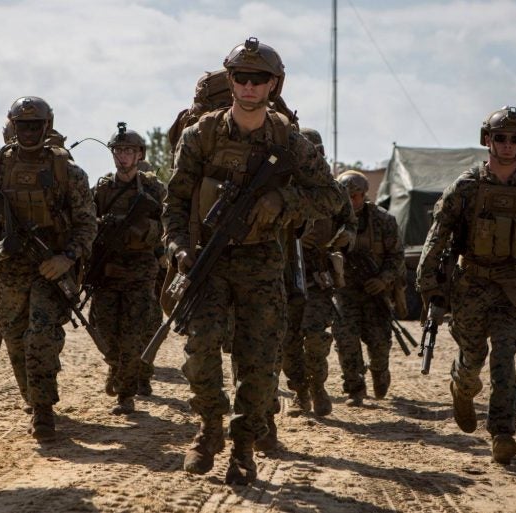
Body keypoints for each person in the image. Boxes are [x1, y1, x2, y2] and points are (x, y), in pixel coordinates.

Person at [162, 37, 345, 485]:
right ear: (230, 81)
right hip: (207, 259)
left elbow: (329, 197)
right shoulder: (200, 136)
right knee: (200, 351)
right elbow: (174, 204)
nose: (247, 86)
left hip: (263, 262)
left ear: (273, 84)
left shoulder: (288, 140)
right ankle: (208, 428)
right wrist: (180, 250)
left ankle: (243, 447)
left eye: (257, 79)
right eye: (239, 78)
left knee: (259, 364)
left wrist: (283, 201)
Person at [416, 106, 516, 464]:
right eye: (501, 137)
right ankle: (462, 386)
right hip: (471, 285)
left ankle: (502, 432)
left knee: (504, 354)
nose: (508, 144)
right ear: (487, 140)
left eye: (515, 138)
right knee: (473, 356)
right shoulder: (465, 188)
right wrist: (428, 283)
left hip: (513, 288)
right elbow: (438, 236)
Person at [0, 96, 96, 441]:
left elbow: (87, 225)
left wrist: (67, 258)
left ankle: (44, 411)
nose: (28, 132)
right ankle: (32, 397)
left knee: (41, 336)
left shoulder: (68, 172)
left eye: (35, 126)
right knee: (14, 334)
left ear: (47, 127)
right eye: (22, 126)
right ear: (12, 127)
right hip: (10, 267)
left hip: (50, 268)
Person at [279, 128, 357, 418]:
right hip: (285, 277)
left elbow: (350, 225)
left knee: (315, 338)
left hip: (318, 279)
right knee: (288, 341)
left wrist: (339, 239)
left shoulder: (333, 192)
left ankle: (318, 387)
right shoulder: (283, 188)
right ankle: (299, 392)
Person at [89, 124, 165, 414]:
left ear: (139, 154)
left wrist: (144, 231)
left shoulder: (154, 189)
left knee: (133, 333)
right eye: (119, 150)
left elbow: (169, 226)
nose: (123, 156)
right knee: (106, 331)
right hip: (107, 272)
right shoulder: (102, 189)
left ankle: (126, 394)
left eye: (129, 151)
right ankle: (117, 370)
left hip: (140, 271)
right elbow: (85, 224)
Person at [332, 170, 404, 407]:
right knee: (346, 339)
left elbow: (396, 257)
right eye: (347, 196)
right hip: (345, 291)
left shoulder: (384, 221)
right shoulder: (332, 220)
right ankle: (355, 388)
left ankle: (379, 372)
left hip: (376, 293)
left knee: (379, 342)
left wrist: (383, 280)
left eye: (356, 196)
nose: (352, 202)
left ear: (364, 195)